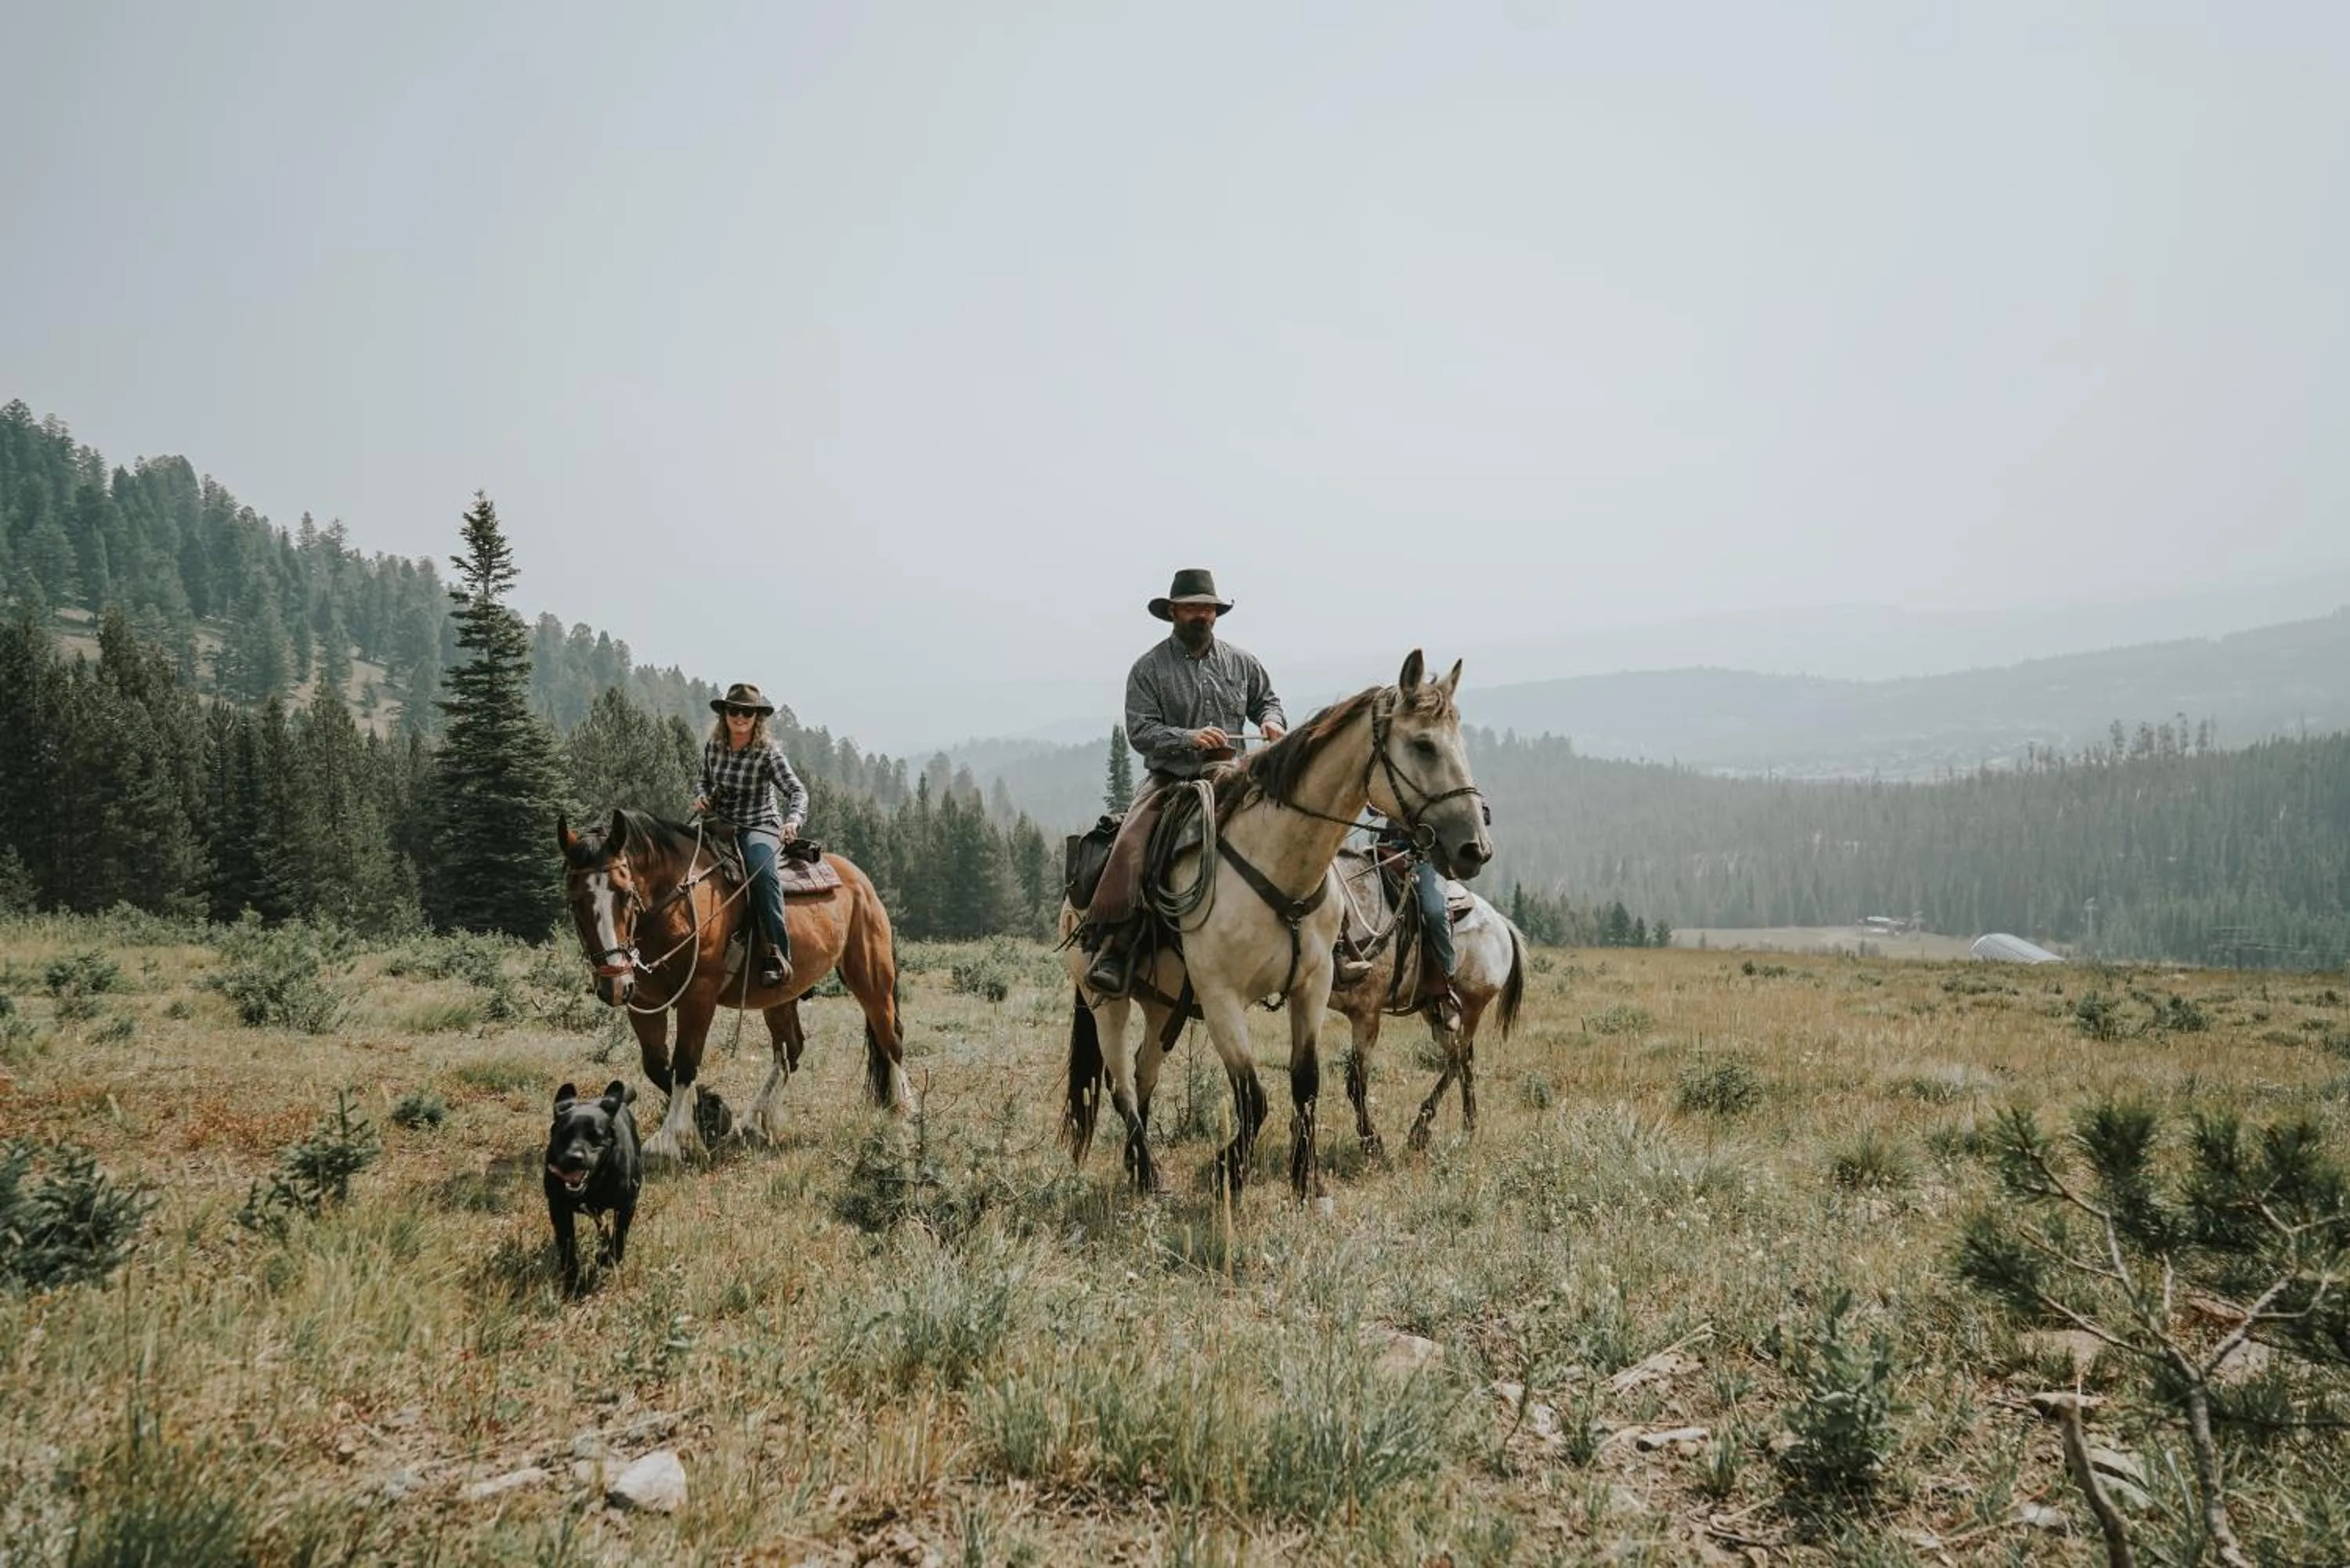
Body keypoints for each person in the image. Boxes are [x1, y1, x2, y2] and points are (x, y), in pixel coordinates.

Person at [1083, 569, 1287, 997]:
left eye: (1208, 608)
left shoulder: (1241, 662)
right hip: (1170, 779)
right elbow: (1141, 730)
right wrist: (1189, 738)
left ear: (1217, 614)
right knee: (1131, 842)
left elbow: (1267, 700)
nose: (1202, 615)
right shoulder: (1149, 669)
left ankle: (1320, 940)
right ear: (1173, 612)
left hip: (1232, 773)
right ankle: (1115, 947)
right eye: (1193, 607)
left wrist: (1271, 722)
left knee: (1290, 824)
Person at [692, 682, 808, 989]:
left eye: (747, 712)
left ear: (757, 718)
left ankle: (778, 956)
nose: (740, 717)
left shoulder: (767, 753)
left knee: (762, 871)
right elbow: (702, 780)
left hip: (760, 825)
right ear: (725, 714)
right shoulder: (713, 747)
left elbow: (797, 791)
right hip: (719, 824)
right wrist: (702, 797)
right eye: (734, 710)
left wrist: (793, 822)